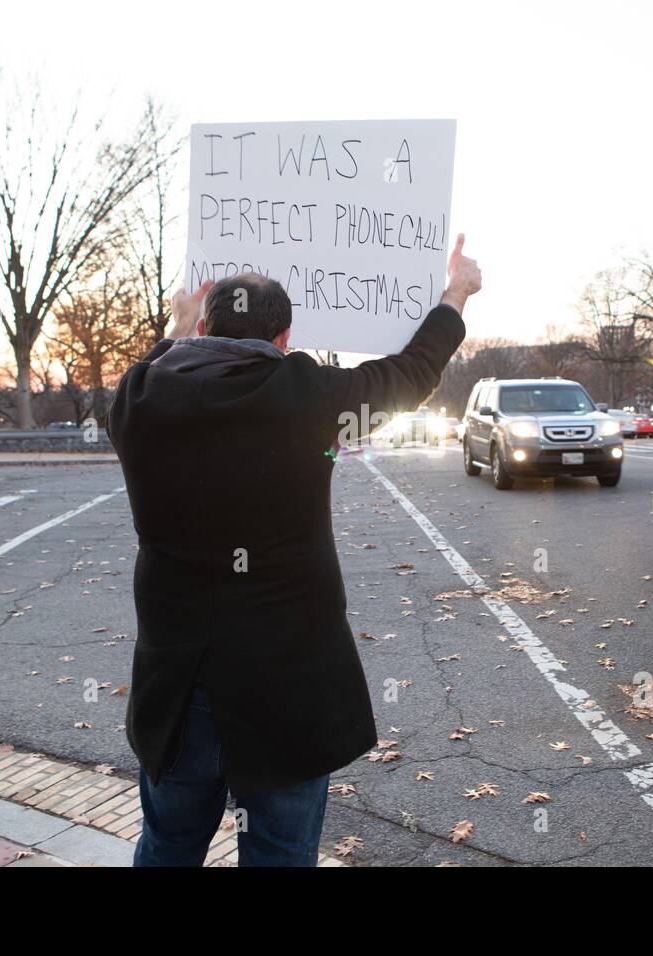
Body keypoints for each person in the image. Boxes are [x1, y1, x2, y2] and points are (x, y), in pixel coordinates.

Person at [107, 235, 482, 866]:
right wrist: (454, 296)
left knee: (168, 845)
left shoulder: (138, 400)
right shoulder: (309, 399)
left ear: (204, 323)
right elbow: (410, 375)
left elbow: (155, 365)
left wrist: (176, 324)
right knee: (279, 853)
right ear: (285, 338)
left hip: (176, 687)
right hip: (288, 687)